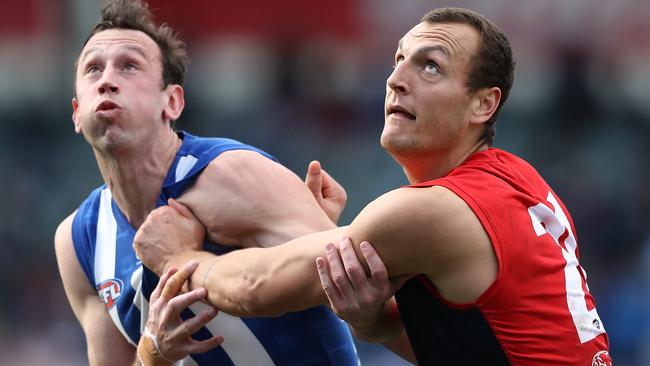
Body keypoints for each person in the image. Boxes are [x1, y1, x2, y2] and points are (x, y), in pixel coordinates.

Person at [133, 7, 612, 365]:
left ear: (483, 105)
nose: (396, 80)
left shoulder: (435, 212)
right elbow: (493, 344)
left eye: (430, 67)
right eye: (398, 60)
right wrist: (376, 323)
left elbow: (258, 287)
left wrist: (179, 259)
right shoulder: (518, 180)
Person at [53, 0, 359, 365]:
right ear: (76, 113)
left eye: (129, 66)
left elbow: (350, 276)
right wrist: (154, 351)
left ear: (172, 102)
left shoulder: (232, 174)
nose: (106, 81)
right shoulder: (78, 241)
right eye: (93, 69)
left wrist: (312, 230)